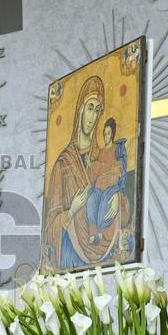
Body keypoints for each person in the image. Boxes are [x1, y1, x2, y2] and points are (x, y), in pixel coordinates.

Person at [42, 76, 131, 272]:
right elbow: (49, 229)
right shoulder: (62, 164)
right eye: (90, 108)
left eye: (98, 110)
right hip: (70, 255)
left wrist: (118, 197)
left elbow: (124, 216)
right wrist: (71, 211)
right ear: (80, 109)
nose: (93, 117)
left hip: (103, 256)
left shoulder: (102, 157)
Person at [85, 118, 127, 243]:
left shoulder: (117, 149)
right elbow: (96, 172)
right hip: (99, 187)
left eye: (108, 133)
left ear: (112, 134)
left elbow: (121, 169)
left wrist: (118, 191)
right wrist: (90, 164)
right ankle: (93, 232)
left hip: (111, 186)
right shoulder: (101, 152)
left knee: (104, 204)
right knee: (91, 200)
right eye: (104, 133)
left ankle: (101, 232)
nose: (106, 136)